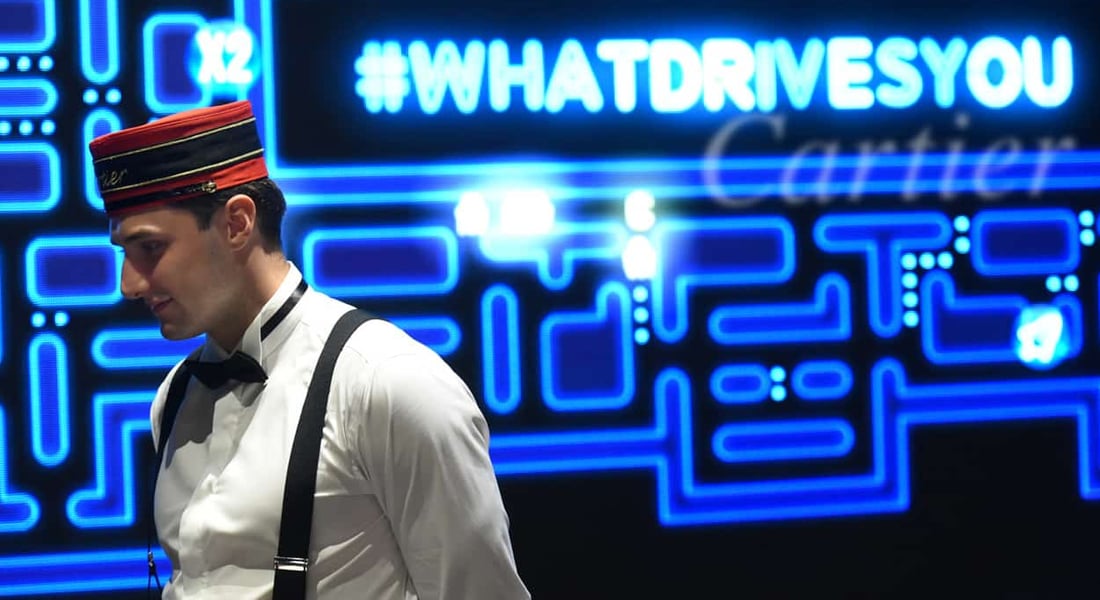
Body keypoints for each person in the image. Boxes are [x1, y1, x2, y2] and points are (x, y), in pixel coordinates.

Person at [90, 100, 530, 599]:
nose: (129, 284)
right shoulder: (174, 397)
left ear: (237, 223)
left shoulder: (387, 382)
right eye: (124, 253)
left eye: (150, 248)